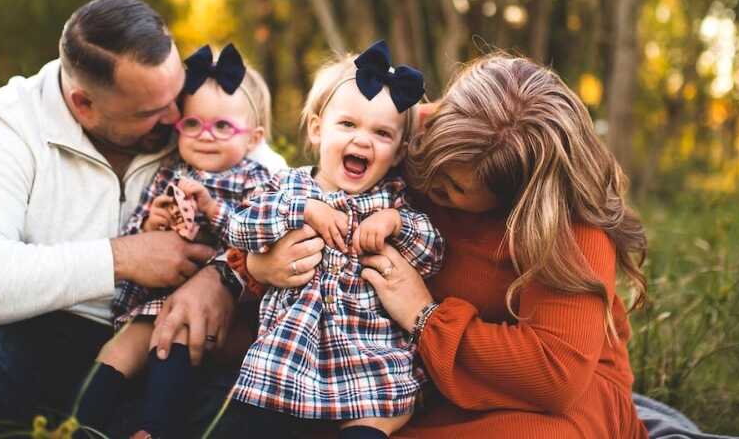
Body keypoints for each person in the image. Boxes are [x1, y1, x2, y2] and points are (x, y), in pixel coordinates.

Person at [0, 0, 285, 438]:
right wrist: (120, 258)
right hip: (13, 337)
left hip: (159, 342)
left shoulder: (196, 118)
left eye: (179, 96)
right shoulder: (6, 123)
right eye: (150, 112)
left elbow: (277, 192)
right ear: (83, 103)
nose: (177, 118)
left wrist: (221, 279)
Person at [239, 53, 651, 438]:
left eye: (453, 188)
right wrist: (251, 267)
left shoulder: (568, 218)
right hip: (401, 364)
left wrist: (424, 315)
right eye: (427, 162)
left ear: (512, 198)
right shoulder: (404, 130)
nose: (428, 184)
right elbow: (299, 191)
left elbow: (554, 374)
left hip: (545, 398)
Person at [226, 42, 444, 439]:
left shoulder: (393, 200)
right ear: (316, 128)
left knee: (371, 423)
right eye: (348, 125)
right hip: (290, 353)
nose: (363, 141)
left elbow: (433, 253)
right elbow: (239, 227)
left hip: (370, 361)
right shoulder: (288, 187)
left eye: (381, 133)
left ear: (397, 153)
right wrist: (303, 211)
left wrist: (395, 223)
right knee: (245, 421)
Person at [75, 43, 273, 438]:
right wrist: (154, 223)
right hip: (153, 300)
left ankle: (155, 429)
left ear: (253, 139)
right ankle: (77, 427)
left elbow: (258, 235)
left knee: (175, 338)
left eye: (223, 127)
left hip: (224, 310)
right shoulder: (169, 172)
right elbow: (133, 238)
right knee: (119, 351)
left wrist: (214, 211)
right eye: (193, 124)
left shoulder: (260, 180)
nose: (205, 136)